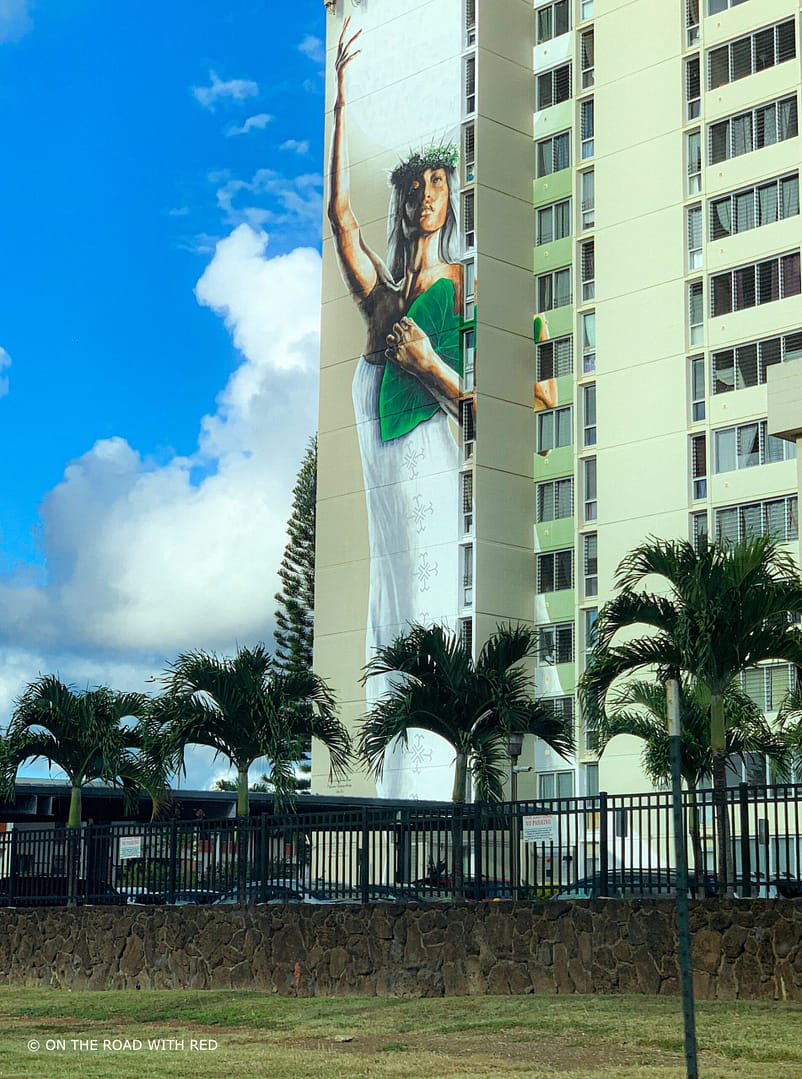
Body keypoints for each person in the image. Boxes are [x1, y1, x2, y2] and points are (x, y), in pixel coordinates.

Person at [327, 19, 463, 797]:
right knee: (394, 631)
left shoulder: (464, 287)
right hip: (390, 504)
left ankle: (432, 800)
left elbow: (490, 407)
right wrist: (341, 102)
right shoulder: (382, 303)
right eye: (413, 186)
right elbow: (342, 219)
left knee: (431, 630)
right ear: (403, 201)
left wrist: (430, 363)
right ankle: (397, 805)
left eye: (437, 183)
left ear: (451, 194)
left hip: (437, 493)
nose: (424, 195)